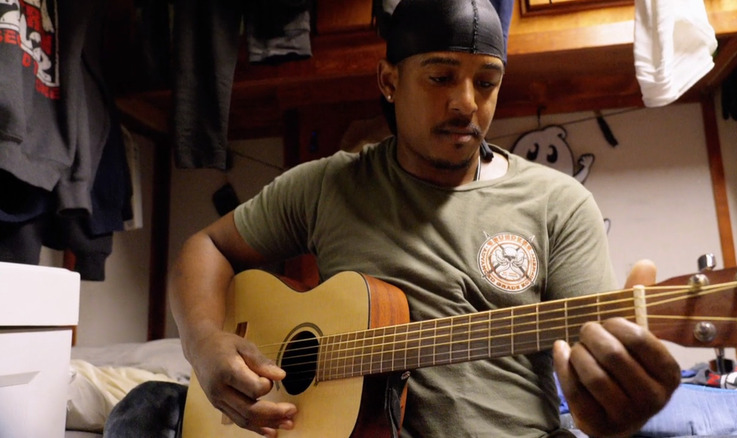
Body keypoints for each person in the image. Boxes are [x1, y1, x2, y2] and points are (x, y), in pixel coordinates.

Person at [169, 0, 681, 437]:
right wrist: (203, 342)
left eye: (487, 82)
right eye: (440, 77)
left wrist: (613, 411)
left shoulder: (559, 203)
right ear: (389, 81)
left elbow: (594, 381)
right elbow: (205, 247)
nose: (466, 103)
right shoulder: (325, 185)